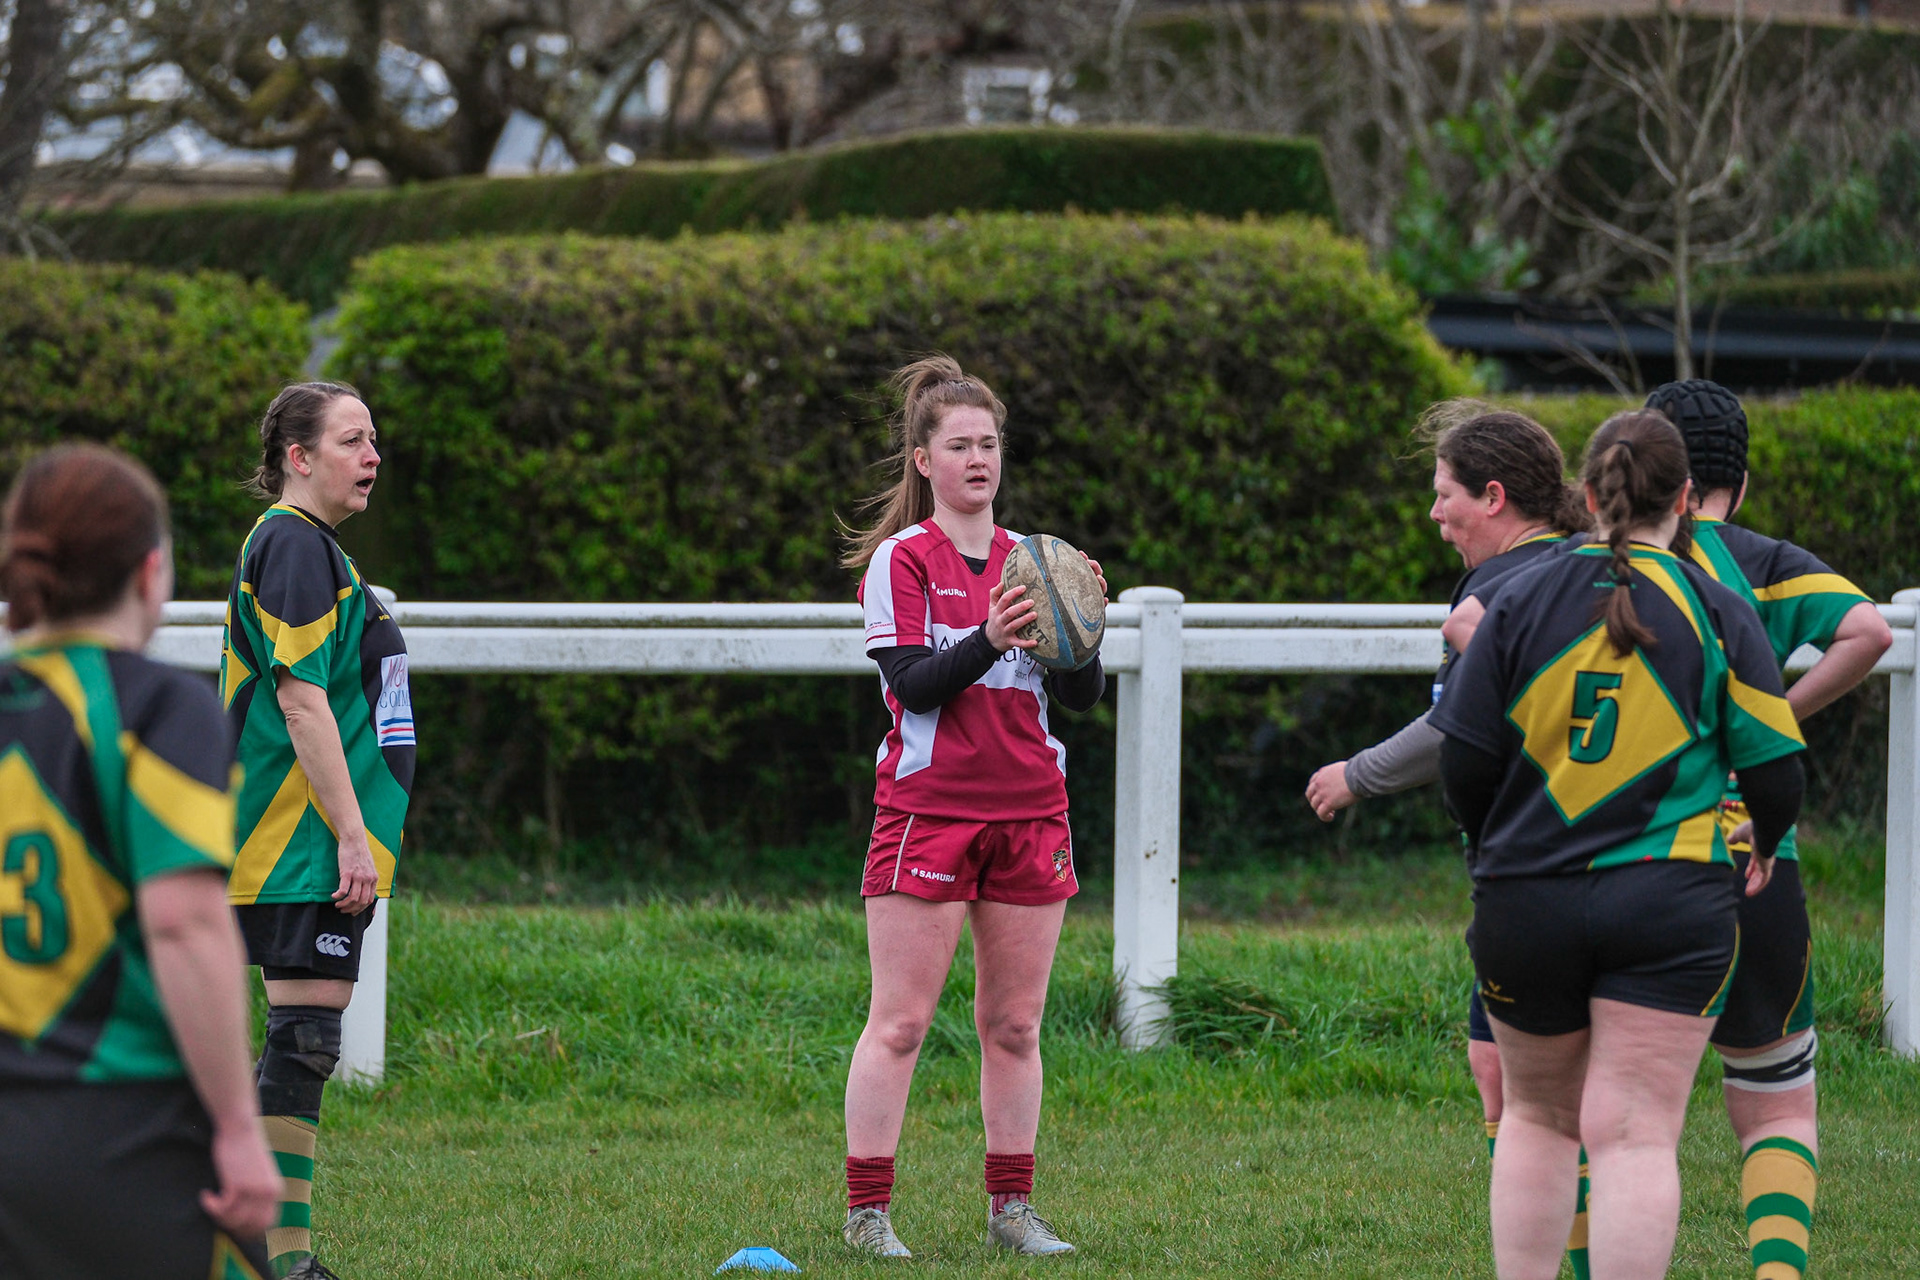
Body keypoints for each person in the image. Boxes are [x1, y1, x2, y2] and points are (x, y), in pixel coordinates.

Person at [1432, 408, 1807, 1280]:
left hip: (1527, 899)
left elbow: (1464, 761)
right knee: (1636, 1135)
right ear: (1685, 498)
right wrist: (1764, 840)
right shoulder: (1715, 606)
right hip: (1670, 900)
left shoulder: (1516, 600)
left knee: (1536, 1121)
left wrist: (1495, 851)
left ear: (1591, 496)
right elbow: (1776, 768)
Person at [1302, 400, 1596, 1266]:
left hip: (1542, 872)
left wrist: (1356, 775)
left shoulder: (1501, 589)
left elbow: (1455, 729)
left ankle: (1560, 1258)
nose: (1434, 514)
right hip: (1594, 865)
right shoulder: (1581, 566)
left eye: (1444, 495)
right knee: (1500, 1069)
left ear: (1494, 497)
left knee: (1540, 1099)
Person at [838, 355, 1106, 1259]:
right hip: (930, 812)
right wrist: (989, 638)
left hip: (1032, 811)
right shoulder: (903, 560)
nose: (978, 459)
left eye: (989, 444)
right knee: (901, 1022)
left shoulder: (1038, 561)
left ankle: (1012, 1210)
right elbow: (913, 685)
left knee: (1016, 1026)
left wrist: (1083, 629)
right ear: (924, 461)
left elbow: (1079, 699)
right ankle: (868, 1214)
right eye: (958, 446)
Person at [0, 444, 280, 1278]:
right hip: (126, 1132)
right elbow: (185, 924)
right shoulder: (159, 708)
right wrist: (239, 1128)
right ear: (151, 571)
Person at [1643, 379, 1892, 1280]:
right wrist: (1774, 714)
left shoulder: (1604, 565)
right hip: (1753, 860)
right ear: (1739, 483)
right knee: (1778, 1096)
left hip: (1626, 861)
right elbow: (1869, 631)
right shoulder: (1763, 561)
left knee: (1623, 1119)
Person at [221, 383, 414, 1280]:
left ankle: (270, 1255)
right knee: (302, 1039)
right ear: (298, 457)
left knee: (302, 1033)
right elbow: (301, 704)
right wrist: (348, 834)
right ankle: (275, 1258)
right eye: (351, 440)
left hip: (310, 841)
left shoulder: (313, 550)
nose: (372, 455)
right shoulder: (294, 544)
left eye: (373, 439)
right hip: (299, 841)